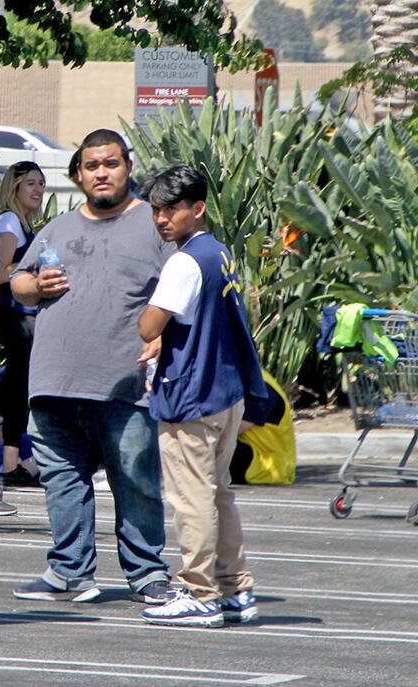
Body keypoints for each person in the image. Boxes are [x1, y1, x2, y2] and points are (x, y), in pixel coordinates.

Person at [10, 129, 173, 605]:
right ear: (78, 174)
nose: (101, 173)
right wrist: (35, 285)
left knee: (135, 478)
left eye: (111, 163)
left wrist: (164, 336)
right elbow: (17, 281)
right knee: (62, 479)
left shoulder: (154, 225)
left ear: (128, 166)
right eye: (91, 165)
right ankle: (69, 571)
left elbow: (183, 290)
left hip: (124, 382)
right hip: (54, 380)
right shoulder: (58, 228)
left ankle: (147, 574)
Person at [137, 164, 267, 627]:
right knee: (218, 494)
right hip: (226, 391)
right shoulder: (219, 252)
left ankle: (199, 591)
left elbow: (150, 323)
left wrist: (153, 329)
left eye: (172, 209)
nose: (162, 218)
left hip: (192, 393)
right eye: (156, 209)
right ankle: (235, 589)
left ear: (198, 208)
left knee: (192, 497)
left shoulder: (184, 261)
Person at [0, 161, 46, 487]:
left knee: (19, 383)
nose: (38, 190)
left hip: (24, 312)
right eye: (30, 184)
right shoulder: (10, 221)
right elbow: (0, 272)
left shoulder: (25, 223)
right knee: (19, 383)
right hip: (13, 312)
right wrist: (31, 271)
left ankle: (18, 460)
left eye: (41, 184)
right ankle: (10, 464)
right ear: (14, 188)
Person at [233, 369, 296, 485]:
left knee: (211, 444)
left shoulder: (260, 386)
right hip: (250, 452)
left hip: (265, 463)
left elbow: (234, 429)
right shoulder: (247, 375)